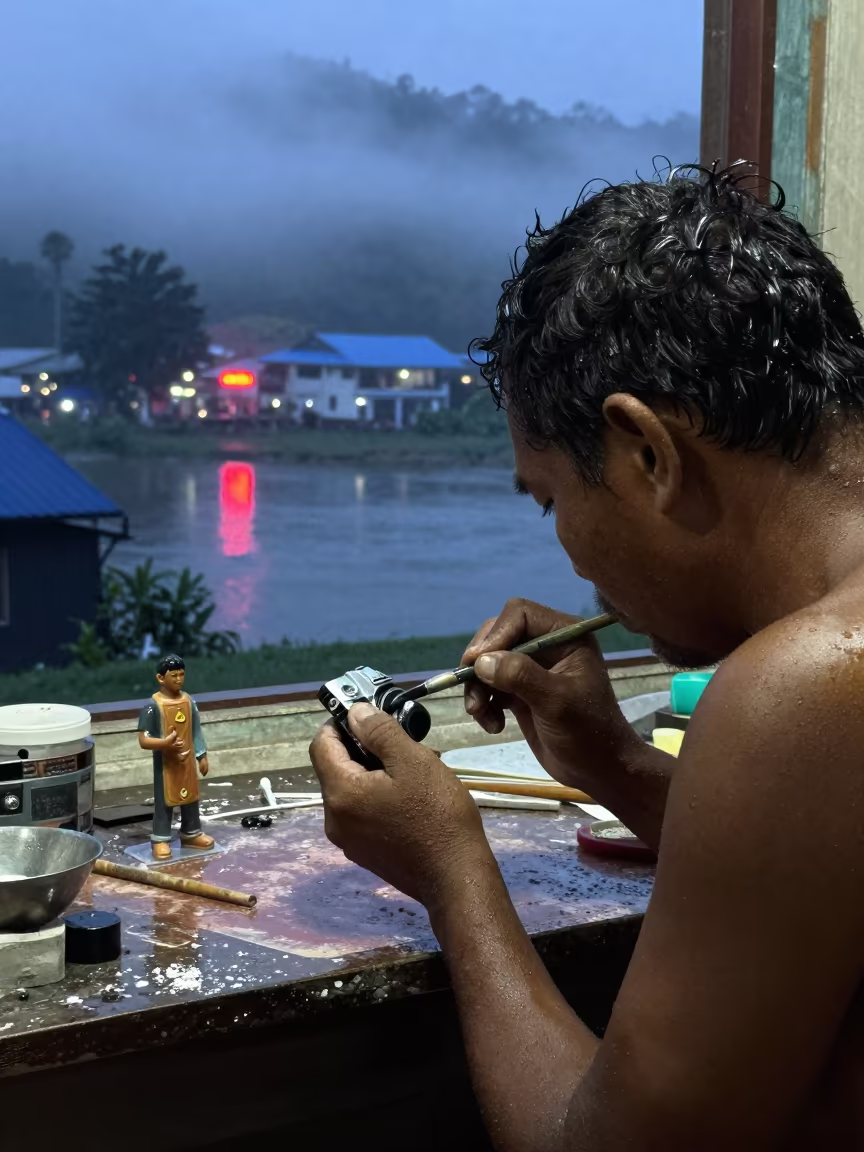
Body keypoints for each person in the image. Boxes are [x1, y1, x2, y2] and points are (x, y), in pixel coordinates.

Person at [310, 164, 864, 1149]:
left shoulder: (811, 685)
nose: (560, 546)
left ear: (646, 453)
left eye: (551, 499)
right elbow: (813, 867)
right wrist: (612, 764)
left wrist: (450, 868)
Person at [137, 654, 214, 861]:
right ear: (161, 678)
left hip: (187, 761)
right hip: (166, 765)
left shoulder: (188, 701)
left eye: (181, 675)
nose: (179, 679)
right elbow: (143, 740)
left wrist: (201, 755)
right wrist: (165, 744)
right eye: (174, 675)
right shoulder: (153, 707)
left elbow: (196, 731)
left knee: (191, 798)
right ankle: (161, 838)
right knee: (165, 802)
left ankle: (191, 833)